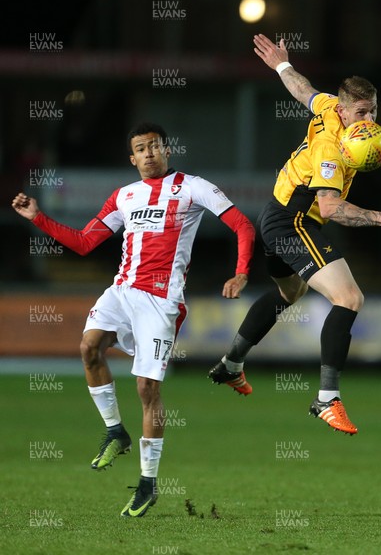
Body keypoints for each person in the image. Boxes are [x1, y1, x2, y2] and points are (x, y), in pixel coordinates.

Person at [12, 122, 255, 517]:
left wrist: (241, 271)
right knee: (89, 347)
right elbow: (86, 241)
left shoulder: (193, 187)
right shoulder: (124, 196)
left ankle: (148, 483)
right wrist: (39, 218)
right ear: (132, 158)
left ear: (166, 151)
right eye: (140, 148)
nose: (148, 153)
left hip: (161, 301)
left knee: (146, 388)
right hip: (121, 292)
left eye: (154, 146)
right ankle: (115, 432)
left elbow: (242, 224)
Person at [209, 34, 381, 435]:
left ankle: (231, 364)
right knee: (349, 297)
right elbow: (331, 208)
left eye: (372, 111)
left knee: (291, 293)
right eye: (361, 112)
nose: (369, 121)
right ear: (344, 109)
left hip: (274, 212)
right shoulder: (331, 150)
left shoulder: (328, 107)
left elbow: (303, 89)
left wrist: (281, 65)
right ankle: (327, 399)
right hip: (292, 222)